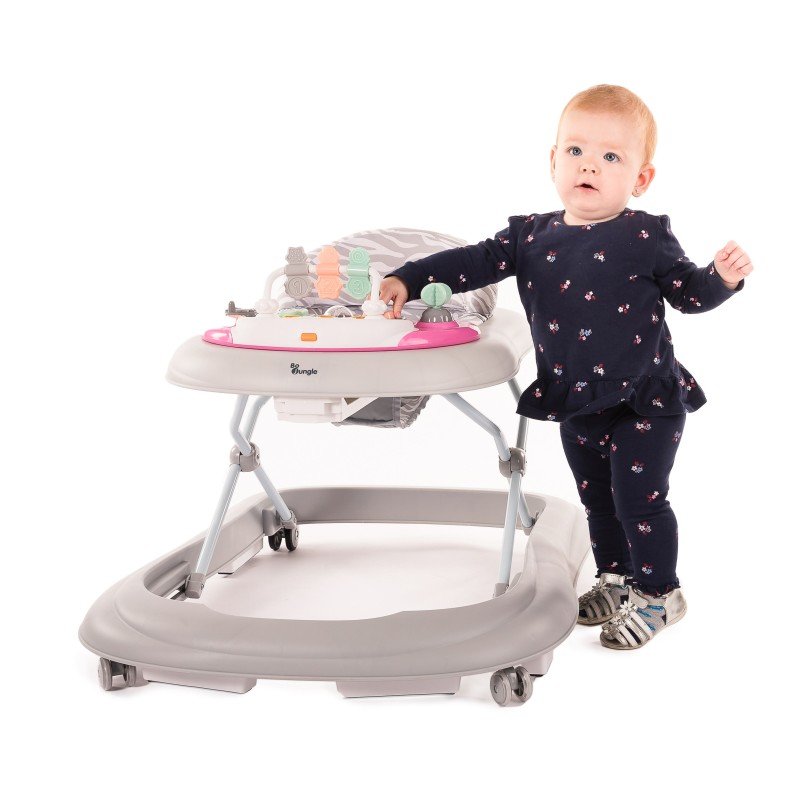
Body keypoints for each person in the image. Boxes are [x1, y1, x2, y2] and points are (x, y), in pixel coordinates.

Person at [378, 84, 753, 650]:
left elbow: (689, 295)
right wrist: (409, 277)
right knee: (597, 500)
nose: (589, 166)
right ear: (553, 160)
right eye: (576, 151)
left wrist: (721, 278)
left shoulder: (646, 235)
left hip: (644, 399)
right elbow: (473, 261)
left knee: (639, 500)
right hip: (575, 399)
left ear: (641, 179)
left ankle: (659, 593)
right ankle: (616, 578)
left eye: (610, 157)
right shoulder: (530, 236)